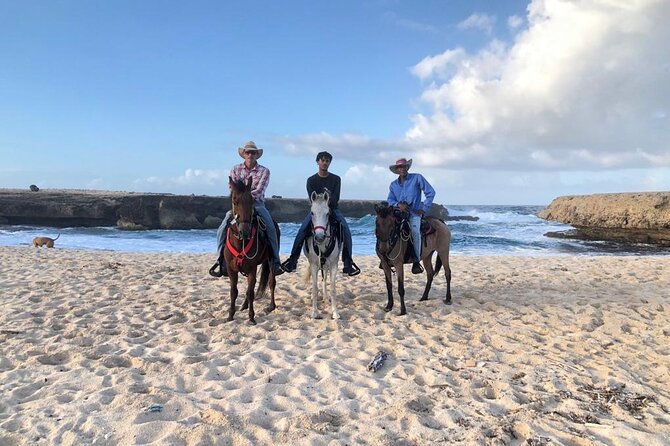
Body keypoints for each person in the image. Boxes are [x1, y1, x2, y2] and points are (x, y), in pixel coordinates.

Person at [209, 141, 284, 277]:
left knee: (270, 226)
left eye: (253, 152)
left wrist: (246, 197)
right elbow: (233, 190)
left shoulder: (264, 171)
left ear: (257, 155)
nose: (250, 154)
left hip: (256, 204)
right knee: (223, 225)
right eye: (248, 152)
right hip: (238, 206)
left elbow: (259, 190)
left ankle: (275, 261)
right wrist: (242, 197)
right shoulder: (235, 169)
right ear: (243, 154)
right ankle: (220, 260)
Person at [281, 151, 360, 276]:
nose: (324, 163)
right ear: (318, 162)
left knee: (345, 230)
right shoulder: (311, 180)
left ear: (329, 163)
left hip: (332, 209)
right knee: (302, 230)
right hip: (317, 211)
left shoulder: (336, 179)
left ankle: (348, 264)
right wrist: (322, 202)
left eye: (327, 161)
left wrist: (327, 201)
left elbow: (336, 198)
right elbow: (313, 199)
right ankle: (293, 260)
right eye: (322, 160)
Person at [386, 157, 435, 274]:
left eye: (403, 166)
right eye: (399, 167)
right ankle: (386, 257)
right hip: (398, 213)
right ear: (397, 170)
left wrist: (423, 209)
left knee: (415, 232)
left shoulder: (417, 178)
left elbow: (430, 192)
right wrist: (398, 204)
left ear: (407, 167)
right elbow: (389, 200)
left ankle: (417, 261)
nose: (402, 169)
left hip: (413, 213)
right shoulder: (393, 185)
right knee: (385, 229)